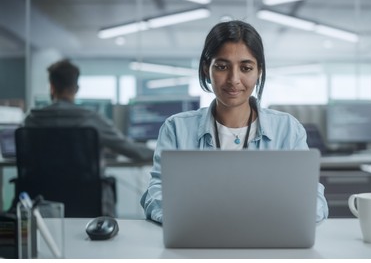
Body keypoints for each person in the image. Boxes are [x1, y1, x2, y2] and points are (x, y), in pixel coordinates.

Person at [140, 20, 329, 224]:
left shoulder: (287, 130)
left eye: (246, 68)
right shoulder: (176, 128)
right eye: (222, 67)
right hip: (198, 239)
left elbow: (314, 200)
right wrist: (191, 219)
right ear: (206, 68)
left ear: (259, 72)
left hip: (266, 241)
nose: (233, 79)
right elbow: (156, 192)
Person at [23, 59, 154, 216]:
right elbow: (132, 150)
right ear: (76, 88)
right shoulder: (91, 119)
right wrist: (165, 152)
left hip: (42, 200)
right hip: (87, 200)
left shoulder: (31, 120)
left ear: (51, 87)